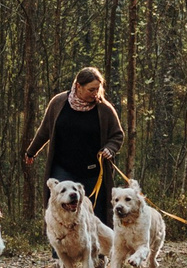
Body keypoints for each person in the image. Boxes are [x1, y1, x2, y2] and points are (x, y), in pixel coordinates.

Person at [22, 66, 124, 226]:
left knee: (96, 218)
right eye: (91, 89)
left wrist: (110, 148)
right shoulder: (58, 103)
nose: (95, 93)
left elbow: (117, 135)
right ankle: (59, 250)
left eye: (98, 89)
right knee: (59, 210)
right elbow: (45, 130)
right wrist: (31, 152)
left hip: (94, 172)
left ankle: (97, 251)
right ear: (78, 86)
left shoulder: (104, 109)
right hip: (63, 168)